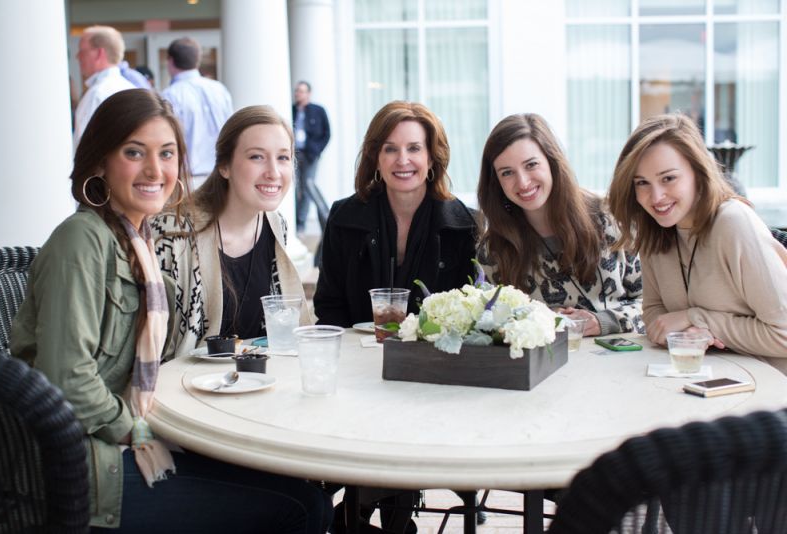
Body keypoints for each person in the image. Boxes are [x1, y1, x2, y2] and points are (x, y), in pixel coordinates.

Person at [10, 89, 331, 532]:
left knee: (294, 484)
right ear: (99, 161)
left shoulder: (132, 240)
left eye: (166, 154)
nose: (154, 170)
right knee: (301, 505)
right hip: (81, 469)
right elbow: (68, 380)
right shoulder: (83, 240)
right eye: (134, 152)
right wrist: (142, 430)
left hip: (120, 440)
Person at [607, 113, 787, 367]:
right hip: (701, 378)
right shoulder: (655, 230)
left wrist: (700, 320)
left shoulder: (733, 223)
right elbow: (655, 317)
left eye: (668, 178)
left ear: (698, 172)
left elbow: (784, 333)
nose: (656, 197)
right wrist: (692, 333)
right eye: (642, 183)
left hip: (770, 389)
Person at [153, 105, 312, 358]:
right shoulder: (173, 233)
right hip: (186, 385)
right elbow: (151, 340)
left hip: (257, 378)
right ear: (224, 167)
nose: (273, 172)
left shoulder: (275, 223)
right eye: (256, 157)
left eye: (283, 157)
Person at [314, 101, 478, 327]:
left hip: (436, 357)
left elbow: (470, 313)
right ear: (376, 158)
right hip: (358, 355)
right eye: (390, 149)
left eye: (414, 148)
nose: (402, 160)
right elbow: (329, 306)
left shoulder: (466, 226)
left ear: (431, 157)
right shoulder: (343, 218)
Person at [477, 113, 644, 336]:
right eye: (507, 173)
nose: (523, 182)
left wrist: (604, 321)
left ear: (552, 162)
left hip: (617, 363)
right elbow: (488, 324)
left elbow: (653, 304)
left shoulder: (611, 219)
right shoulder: (493, 250)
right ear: (496, 182)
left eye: (531, 164)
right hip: (543, 368)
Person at [162, 36, 233, 188]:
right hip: (221, 176)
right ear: (197, 60)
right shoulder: (219, 89)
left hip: (188, 180)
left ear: (170, 60)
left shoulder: (170, 95)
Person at [73, 25, 135, 147]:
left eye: (82, 51)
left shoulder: (96, 94)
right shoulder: (131, 89)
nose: (77, 57)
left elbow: (84, 147)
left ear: (99, 53)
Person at [292, 81, 331, 234]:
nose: (298, 94)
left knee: (308, 187)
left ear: (308, 93)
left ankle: (301, 223)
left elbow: (327, 134)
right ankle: (294, 220)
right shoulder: (291, 110)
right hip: (294, 154)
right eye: (297, 91)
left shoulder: (318, 110)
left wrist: (317, 150)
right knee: (294, 188)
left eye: (301, 91)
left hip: (310, 155)